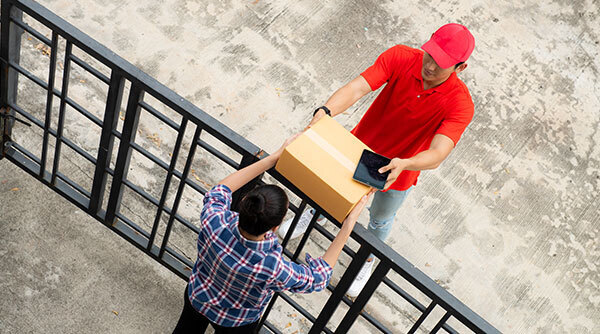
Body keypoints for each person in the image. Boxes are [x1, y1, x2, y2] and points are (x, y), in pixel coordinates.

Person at [278, 23, 476, 298]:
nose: (429, 66)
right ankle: (316, 214)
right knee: (331, 192)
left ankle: (367, 260)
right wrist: (326, 110)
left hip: (399, 171)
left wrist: (405, 164)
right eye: (430, 55)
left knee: (380, 220)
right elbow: (357, 88)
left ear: (460, 68)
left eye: (441, 64)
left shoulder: (460, 104)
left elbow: (438, 153)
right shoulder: (401, 57)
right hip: (359, 148)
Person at [173, 135, 372, 333]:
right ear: (275, 227)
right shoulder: (272, 266)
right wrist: (348, 226)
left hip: (198, 297)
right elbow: (317, 279)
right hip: (237, 321)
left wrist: (271, 158)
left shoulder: (215, 222)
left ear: (244, 203)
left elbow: (220, 190)